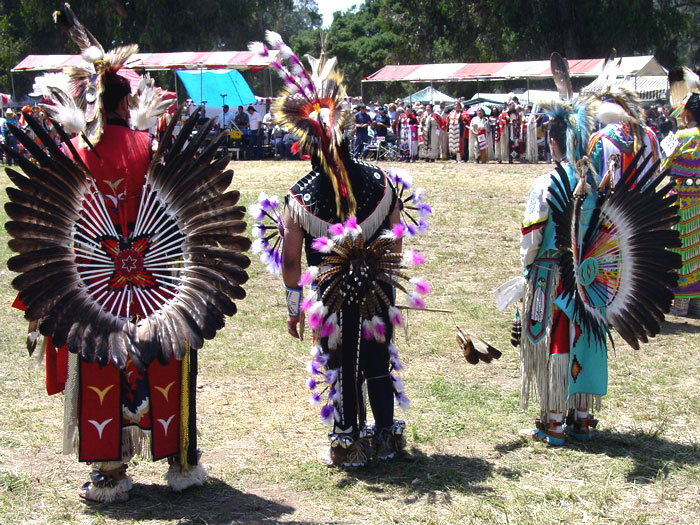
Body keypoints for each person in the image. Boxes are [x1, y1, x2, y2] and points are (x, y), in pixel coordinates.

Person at [517, 99, 602, 446]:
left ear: (553, 142)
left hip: (551, 273)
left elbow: (532, 237)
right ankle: (581, 418)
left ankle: (553, 422)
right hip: (588, 276)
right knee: (583, 339)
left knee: (554, 339)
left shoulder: (546, 183)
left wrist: (526, 266)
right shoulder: (595, 183)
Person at [662, 93, 700, 315]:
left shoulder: (679, 136)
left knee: (679, 246)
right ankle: (696, 301)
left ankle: (681, 303)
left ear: (687, 112)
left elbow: (663, 166)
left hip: (681, 201)